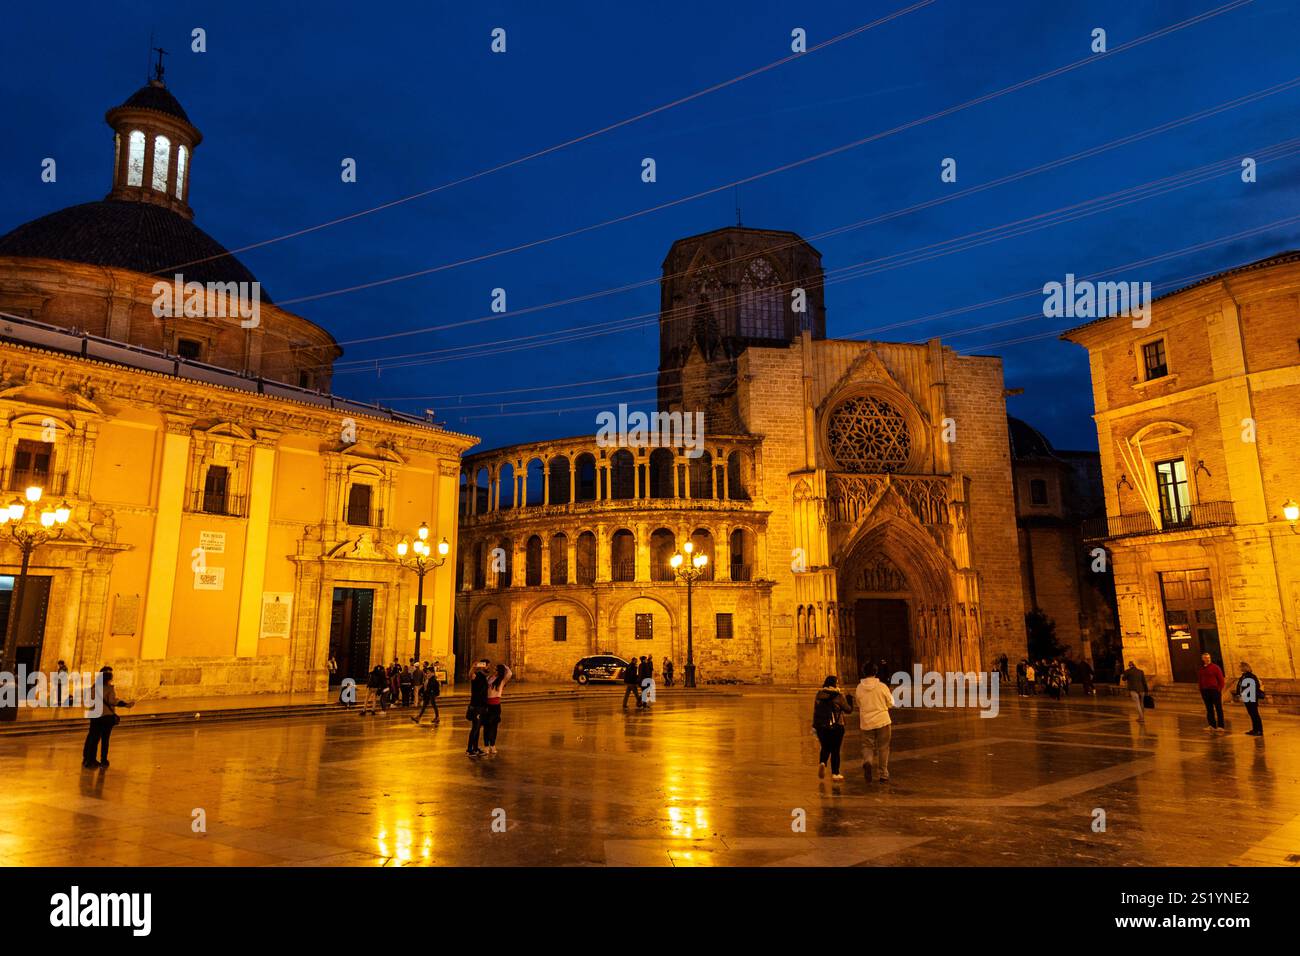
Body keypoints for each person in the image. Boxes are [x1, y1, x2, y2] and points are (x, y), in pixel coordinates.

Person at [82, 666, 133, 769]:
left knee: (93, 739)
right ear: (109, 679)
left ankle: (89, 760)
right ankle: (103, 760)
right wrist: (126, 704)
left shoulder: (93, 688)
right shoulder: (109, 689)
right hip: (106, 717)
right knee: (105, 739)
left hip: (95, 717)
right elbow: (113, 701)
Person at [854, 662, 894, 783]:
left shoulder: (859, 688)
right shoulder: (882, 686)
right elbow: (891, 702)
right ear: (876, 672)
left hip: (866, 722)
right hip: (883, 720)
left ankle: (868, 762)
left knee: (867, 746)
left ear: (864, 672)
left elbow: (858, 703)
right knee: (883, 747)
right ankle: (883, 774)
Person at [812, 675, 854, 781]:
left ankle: (822, 762)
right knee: (835, 750)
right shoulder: (838, 696)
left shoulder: (819, 695)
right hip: (837, 726)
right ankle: (835, 773)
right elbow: (848, 709)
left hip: (821, 726)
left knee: (825, 746)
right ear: (834, 684)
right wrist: (849, 700)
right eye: (837, 682)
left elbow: (816, 711)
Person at [482, 663, 513, 755]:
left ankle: (493, 745)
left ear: (500, 672)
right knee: (486, 726)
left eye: (496, 670)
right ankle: (486, 746)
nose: (494, 671)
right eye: (494, 669)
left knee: (494, 727)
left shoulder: (502, 680)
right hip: (487, 705)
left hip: (496, 705)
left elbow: (510, 673)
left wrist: (504, 665)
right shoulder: (488, 678)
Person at [466, 659, 490, 756]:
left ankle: (475, 748)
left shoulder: (484, 677)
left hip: (481, 706)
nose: (488, 667)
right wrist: (473, 667)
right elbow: (471, 676)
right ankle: (469, 749)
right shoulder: (477, 675)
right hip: (476, 706)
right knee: (475, 728)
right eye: (487, 665)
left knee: (477, 728)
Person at [1232, 662, 1264, 736]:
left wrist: (1244, 695)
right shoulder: (1244, 676)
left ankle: (1259, 730)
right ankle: (1255, 729)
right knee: (1252, 714)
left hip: (1251, 697)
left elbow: (1254, 686)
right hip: (1247, 697)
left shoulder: (1250, 676)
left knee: (1255, 714)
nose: (1239, 668)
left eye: (1240, 667)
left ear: (1244, 667)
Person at [1198, 652, 1226, 732]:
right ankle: (1212, 725)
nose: (1207, 659)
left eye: (1208, 658)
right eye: (1205, 658)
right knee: (1209, 709)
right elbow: (1200, 680)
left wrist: (1219, 689)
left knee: (1218, 708)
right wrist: (1201, 689)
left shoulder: (1215, 667)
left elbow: (1221, 680)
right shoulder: (1202, 669)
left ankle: (1221, 726)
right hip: (1205, 691)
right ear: (1203, 659)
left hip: (1214, 691)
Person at [1121, 660, 1148, 726]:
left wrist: (1123, 675)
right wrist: (1146, 690)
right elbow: (1144, 681)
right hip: (1142, 689)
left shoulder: (1127, 671)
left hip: (1133, 689)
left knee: (1137, 703)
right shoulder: (1140, 671)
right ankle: (1141, 717)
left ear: (1129, 666)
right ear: (1135, 665)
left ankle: (1141, 717)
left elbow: (1123, 679)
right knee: (1141, 703)